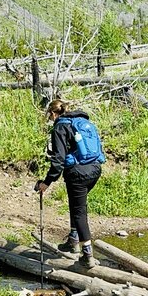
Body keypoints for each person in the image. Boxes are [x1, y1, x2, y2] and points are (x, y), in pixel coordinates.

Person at [34, 99, 103, 268]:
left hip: (78, 172)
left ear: (53, 113)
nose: (50, 119)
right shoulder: (84, 121)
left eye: (49, 116)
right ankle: (73, 239)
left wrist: (46, 182)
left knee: (79, 212)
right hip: (95, 168)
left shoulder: (60, 126)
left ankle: (87, 256)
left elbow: (58, 160)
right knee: (77, 205)